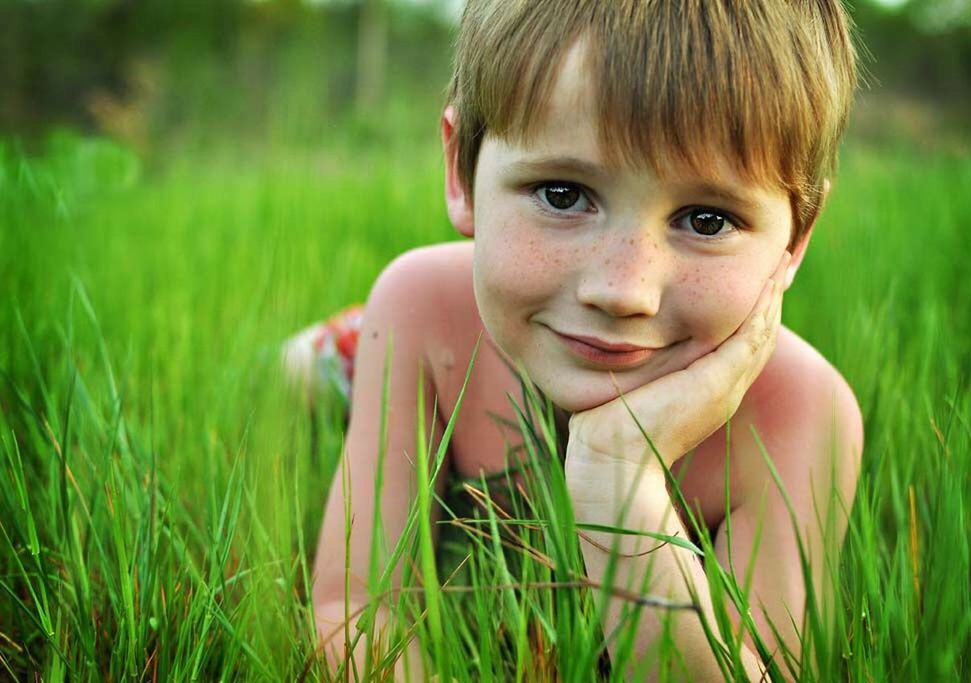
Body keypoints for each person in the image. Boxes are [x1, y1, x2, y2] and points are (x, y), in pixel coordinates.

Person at [293, 1, 864, 680]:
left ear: (796, 235)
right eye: (563, 194)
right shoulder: (420, 306)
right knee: (303, 375)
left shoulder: (800, 411)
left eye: (706, 219)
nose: (624, 290)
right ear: (461, 172)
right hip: (433, 335)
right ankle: (340, 342)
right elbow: (354, 609)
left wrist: (620, 477)